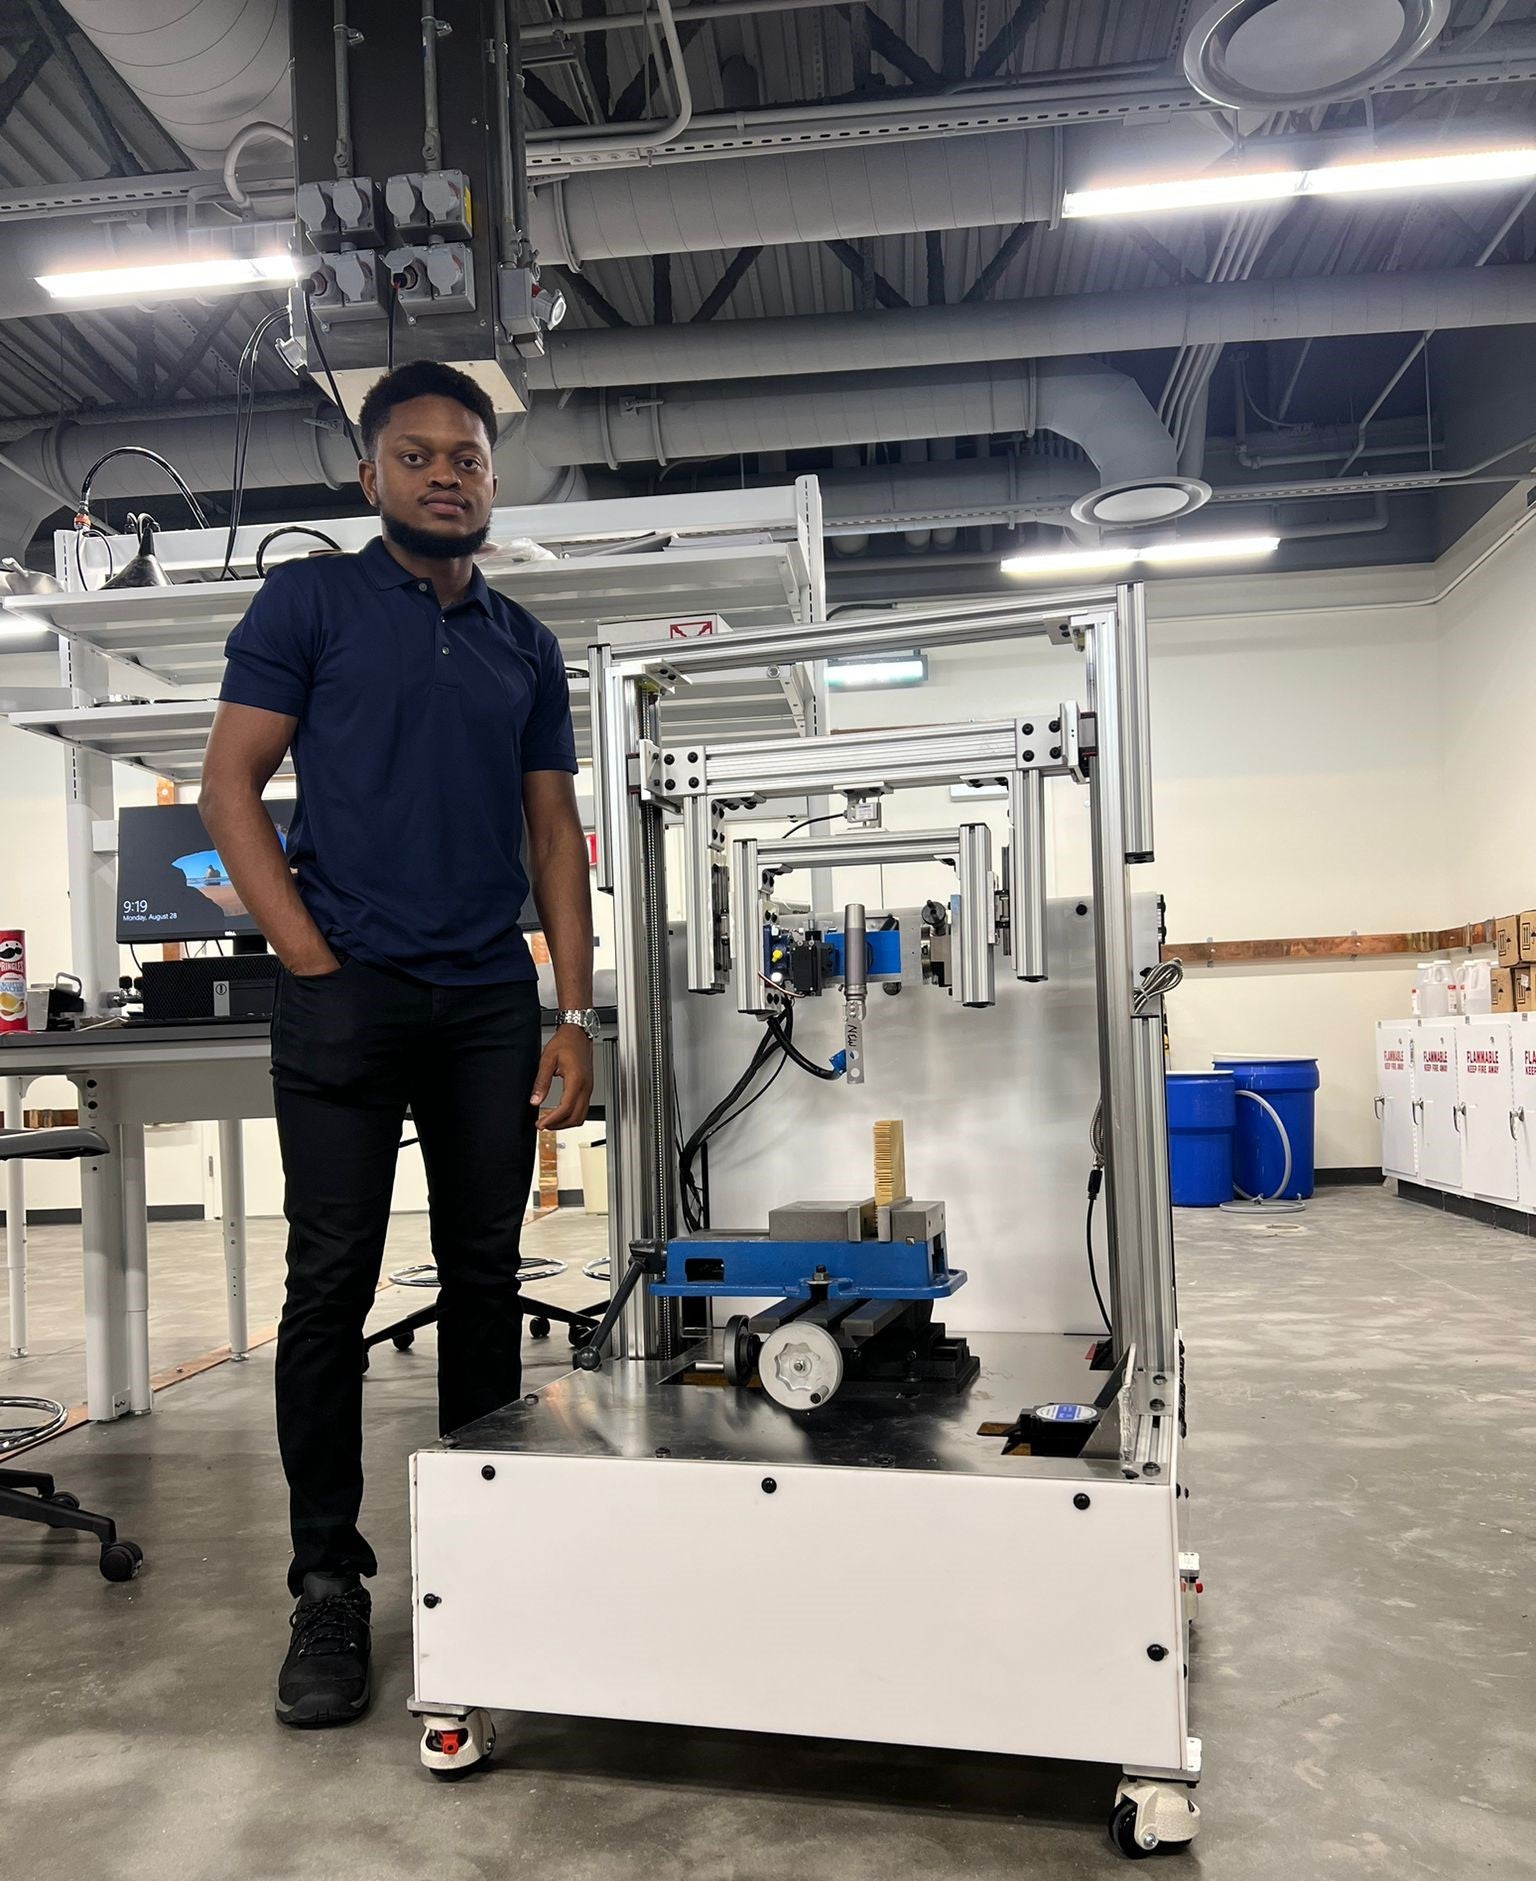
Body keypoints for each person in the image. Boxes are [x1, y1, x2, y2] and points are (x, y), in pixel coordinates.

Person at [200, 359, 596, 1729]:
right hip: (346, 996)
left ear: (493, 478)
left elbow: (554, 833)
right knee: (330, 1285)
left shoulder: (522, 642)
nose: (446, 474)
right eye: (417, 454)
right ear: (368, 474)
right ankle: (327, 1583)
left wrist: (571, 1011)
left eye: (468, 457)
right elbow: (230, 785)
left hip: (486, 1001)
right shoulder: (308, 602)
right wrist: (310, 955)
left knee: (485, 1276)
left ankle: (482, 1561)